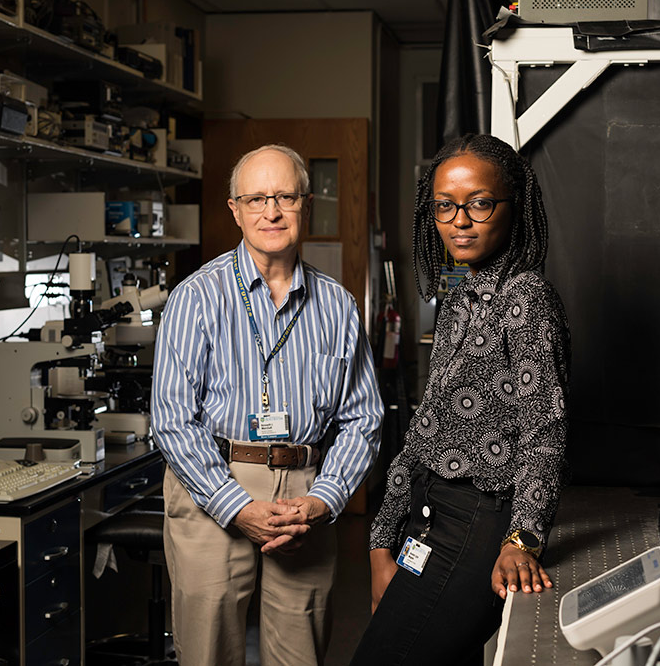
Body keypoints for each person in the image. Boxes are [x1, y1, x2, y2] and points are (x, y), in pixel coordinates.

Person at [151, 144, 384, 666]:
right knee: (209, 653)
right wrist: (236, 507)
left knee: (301, 655)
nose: (271, 212)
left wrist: (323, 500)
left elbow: (364, 418)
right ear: (234, 209)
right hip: (213, 485)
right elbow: (171, 419)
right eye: (256, 199)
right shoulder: (196, 297)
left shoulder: (338, 306)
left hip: (305, 492)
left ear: (306, 204)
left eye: (284, 197)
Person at [350, 134, 570, 665]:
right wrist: (382, 541)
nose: (460, 221)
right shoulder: (459, 297)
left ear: (512, 206)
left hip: (477, 523)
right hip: (426, 517)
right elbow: (426, 430)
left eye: (479, 203)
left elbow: (545, 428)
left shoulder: (526, 297)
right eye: (445, 206)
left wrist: (522, 538)